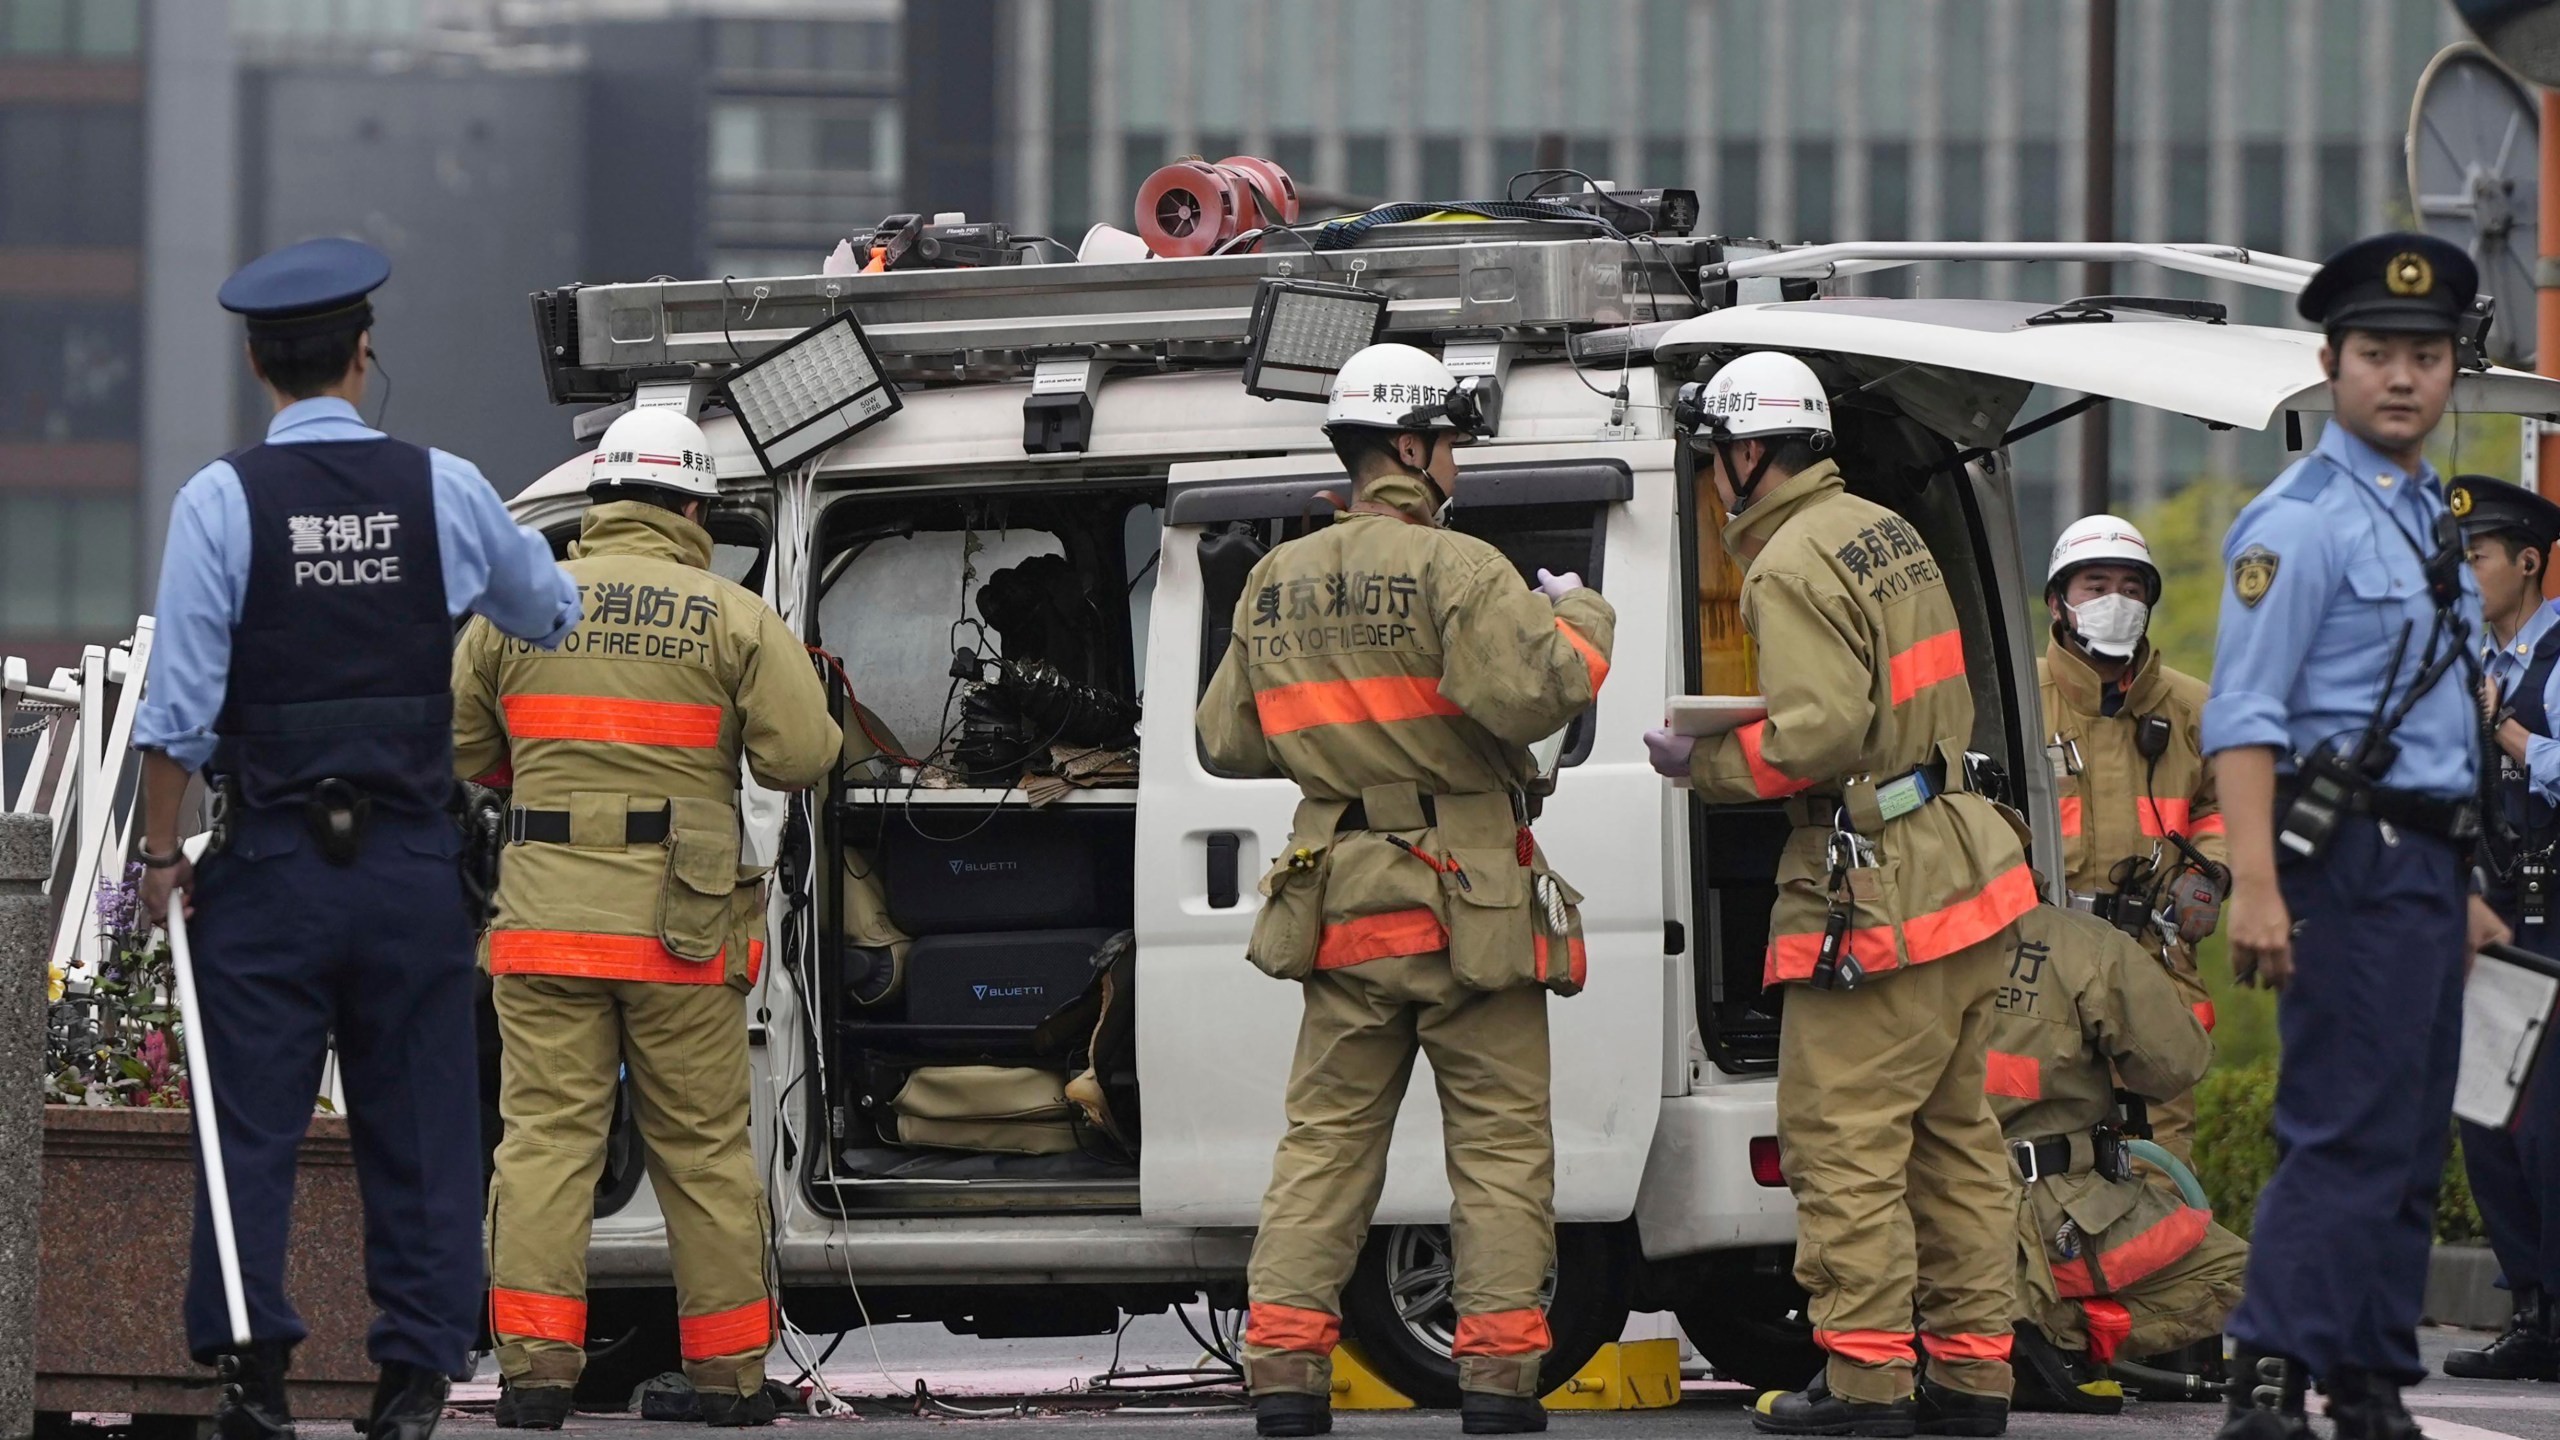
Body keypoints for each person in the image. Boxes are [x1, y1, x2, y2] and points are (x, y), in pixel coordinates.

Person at [130, 237, 582, 1440]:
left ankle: (253, 1376)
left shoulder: (220, 501)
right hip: (409, 871)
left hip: (270, 868)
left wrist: (159, 857)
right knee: (426, 1122)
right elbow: (544, 608)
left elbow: (174, 710)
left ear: (254, 362)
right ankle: (416, 1375)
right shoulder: (443, 486)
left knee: (249, 1128)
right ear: (362, 354)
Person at [1197, 342, 1614, 1439]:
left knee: (1324, 1143)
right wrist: (1583, 620)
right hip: (1464, 901)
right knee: (1499, 1148)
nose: (1458, 468)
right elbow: (1542, 695)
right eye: (1452, 447)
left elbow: (1226, 740)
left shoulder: (1272, 581)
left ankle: (1284, 1374)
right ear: (1415, 449)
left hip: (1340, 901)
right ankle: (1495, 1382)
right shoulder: (1459, 567)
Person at [1643, 351, 2037, 1438]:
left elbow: (1816, 734)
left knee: (1842, 1141)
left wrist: (1699, 764)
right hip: (1960, 864)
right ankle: (1969, 1378)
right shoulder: (1886, 530)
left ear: (1750, 451)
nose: (1716, 475)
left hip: (1878, 889)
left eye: (1717, 453)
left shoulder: (1786, 563)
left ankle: (1863, 1383)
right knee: (1954, 1139)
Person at [452, 408, 840, 1430]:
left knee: (543, 1144)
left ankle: (535, 1374)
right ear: (691, 507)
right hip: (680, 922)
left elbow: (460, 751)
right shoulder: (732, 616)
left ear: (598, 498)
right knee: (704, 1151)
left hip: (545, 923)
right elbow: (800, 758)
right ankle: (730, 1381)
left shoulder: (512, 609)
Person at [2204, 233, 2513, 1440]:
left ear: (2450, 372)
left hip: (2427, 865)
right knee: (2340, 1123)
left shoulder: (2422, 514)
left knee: (2406, 1121)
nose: (2402, 378)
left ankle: (2371, 1375)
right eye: (2376, 354)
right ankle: (2271, 1375)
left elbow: (2434, 715)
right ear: (2328, 363)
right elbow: (2244, 713)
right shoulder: (2301, 523)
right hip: (2341, 861)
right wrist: (2253, 884)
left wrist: (2463, 883)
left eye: (2425, 356)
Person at [1986, 904, 2246, 1414]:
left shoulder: (1898, 935)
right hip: (2051, 1209)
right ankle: (2052, 1331)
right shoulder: (2079, 943)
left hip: (1930, 1200)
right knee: (2242, 1276)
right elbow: (2178, 1065)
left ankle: (1973, 1329)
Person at [2037, 516, 2225, 1161]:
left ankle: (2168, 1264)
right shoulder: (2014, 698)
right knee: (2037, 1139)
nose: (2116, 602)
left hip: (2154, 956)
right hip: (2042, 960)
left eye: (2131, 587)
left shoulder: (2195, 708)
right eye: (2095, 586)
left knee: (2163, 1145)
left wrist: (2211, 872)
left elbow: (2224, 803)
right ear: (2058, 602)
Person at [2442, 475, 2560, 1382]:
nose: (2465, 570)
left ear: (2527, 560)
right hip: (2490, 913)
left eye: (2477, 555)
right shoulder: (2464, 660)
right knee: (2489, 1116)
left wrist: (2506, 735)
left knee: (2547, 1124)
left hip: (2556, 917)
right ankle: (2534, 1309)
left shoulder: (2557, 655)